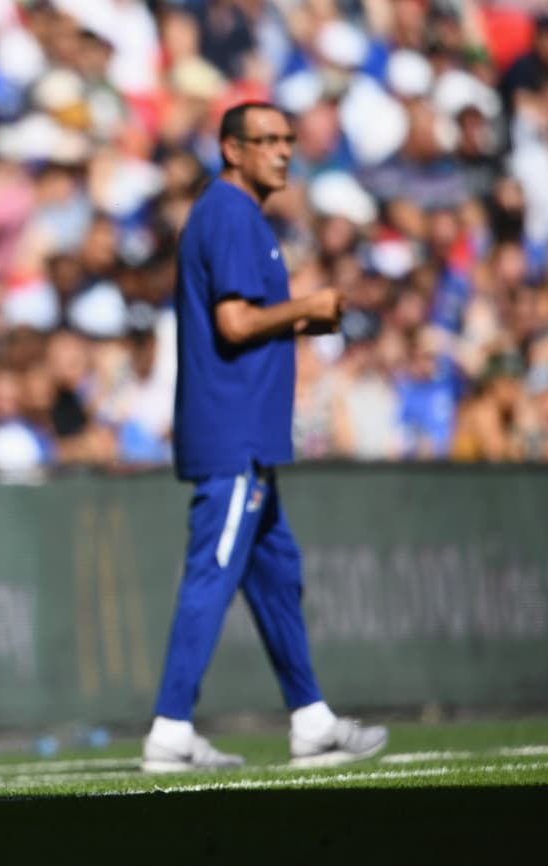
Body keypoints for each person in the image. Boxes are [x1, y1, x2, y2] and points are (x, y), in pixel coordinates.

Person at [141, 102, 388, 773]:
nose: (283, 152)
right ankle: (170, 728)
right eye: (267, 141)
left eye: (288, 140)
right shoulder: (228, 214)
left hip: (250, 435)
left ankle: (312, 720)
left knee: (278, 576)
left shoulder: (245, 216)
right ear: (231, 149)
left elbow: (246, 322)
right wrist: (306, 308)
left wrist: (303, 321)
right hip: (233, 434)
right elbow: (235, 323)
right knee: (211, 574)